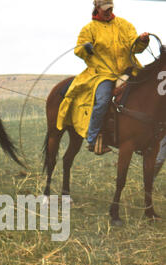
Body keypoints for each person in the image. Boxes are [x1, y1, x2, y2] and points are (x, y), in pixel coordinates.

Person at [56, 0, 149, 153]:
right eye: (105, 9)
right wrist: (85, 48)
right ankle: (92, 139)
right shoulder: (89, 29)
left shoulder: (124, 25)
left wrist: (142, 41)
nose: (108, 11)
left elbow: (136, 47)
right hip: (102, 74)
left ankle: (146, 137)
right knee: (103, 100)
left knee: (146, 93)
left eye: (110, 8)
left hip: (127, 71)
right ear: (97, 8)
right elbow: (79, 50)